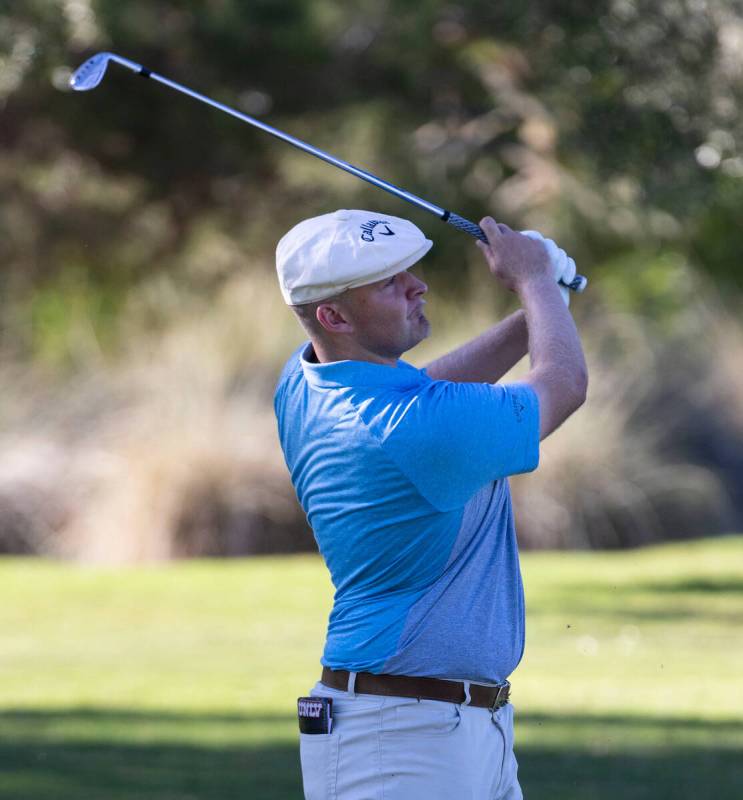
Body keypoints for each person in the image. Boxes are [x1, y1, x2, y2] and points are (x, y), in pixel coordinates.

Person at [273, 208, 587, 799]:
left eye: (408, 271)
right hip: (400, 737)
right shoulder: (415, 429)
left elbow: (426, 389)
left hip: (436, 723)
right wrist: (536, 282)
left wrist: (539, 310)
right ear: (333, 315)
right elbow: (563, 386)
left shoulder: (307, 379)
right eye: (389, 282)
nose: (417, 285)